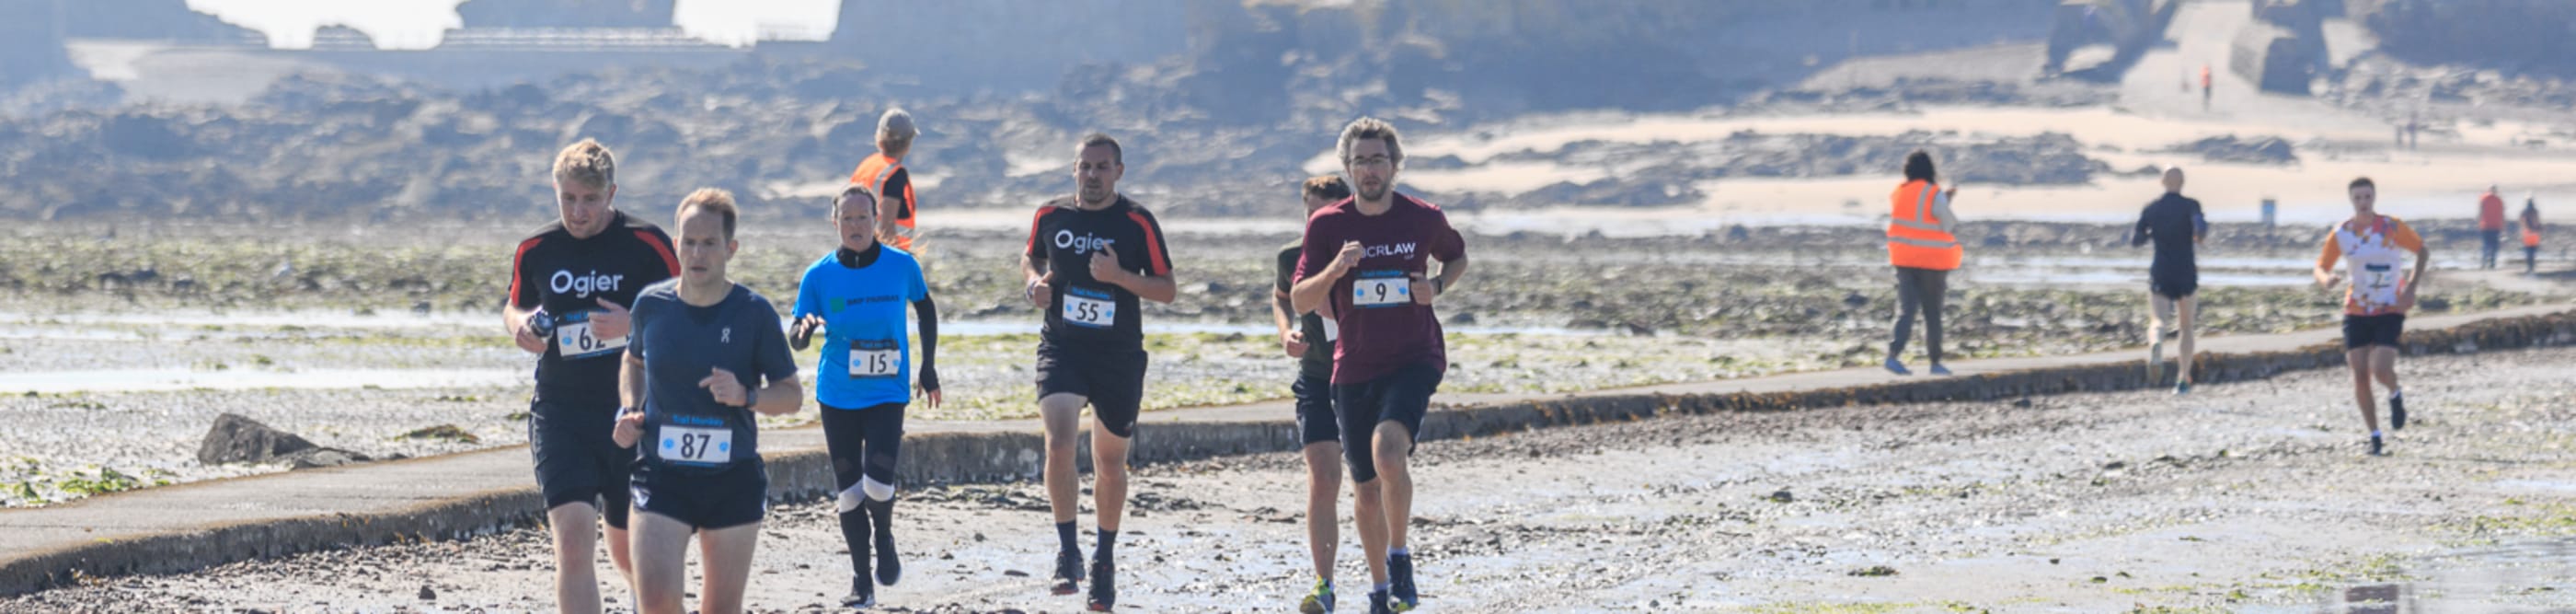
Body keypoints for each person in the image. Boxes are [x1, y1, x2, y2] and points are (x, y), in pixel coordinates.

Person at [1293, 117, 1470, 614]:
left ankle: (1399, 559)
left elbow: (1457, 259)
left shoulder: (1423, 217)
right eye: (1361, 161)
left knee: (1389, 454)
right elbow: (1303, 299)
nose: (1370, 169)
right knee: (1365, 488)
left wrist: (1434, 288)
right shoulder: (1327, 224)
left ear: (1395, 165)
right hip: (1354, 365)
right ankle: (1378, 592)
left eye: (1378, 159)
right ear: (1347, 169)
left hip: (1414, 357)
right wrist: (1336, 268)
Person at [503, 139, 676, 614]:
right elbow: (514, 304)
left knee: (627, 552)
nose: (578, 212)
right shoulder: (537, 248)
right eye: (568, 199)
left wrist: (633, 324)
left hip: (631, 413)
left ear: (611, 194)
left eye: (590, 200)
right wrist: (520, 327)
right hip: (560, 414)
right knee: (574, 544)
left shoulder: (647, 243)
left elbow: (690, 310)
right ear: (556, 192)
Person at [612, 189, 804, 614]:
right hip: (661, 477)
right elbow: (633, 360)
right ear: (676, 244)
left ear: (730, 249)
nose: (697, 253)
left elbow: (791, 396)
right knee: (657, 602)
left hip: (731, 479)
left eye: (709, 243)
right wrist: (630, 409)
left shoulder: (754, 313)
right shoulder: (651, 305)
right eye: (689, 242)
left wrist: (746, 395)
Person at [1020, 133, 1178, 611]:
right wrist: (1033, 285)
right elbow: (1032, 257)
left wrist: (1119, 279)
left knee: (1109, 462)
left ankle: (1103, 558)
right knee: (1061, 443)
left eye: (1102, 168)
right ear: (1074, 170)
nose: (1092, 176)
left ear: (1119, 172)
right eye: (1085, 167)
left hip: (1118, 356)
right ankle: (1068, 552)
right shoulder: (1052, 215)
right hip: (1063, 347)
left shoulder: (1136, 221)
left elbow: (1167, 289)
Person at [789, 184, 942, 608]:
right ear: (834, 222)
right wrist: (803, 332)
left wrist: (928, 368)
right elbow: (797, 334)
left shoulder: (900, 265)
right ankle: (862, 580)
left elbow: (925, 308)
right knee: (849, 492)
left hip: (887, 390)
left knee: (878, 482)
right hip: (837, 393)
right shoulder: (819, 275)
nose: (855, 226)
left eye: (863, 217)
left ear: (875, 219)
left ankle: (886, 536)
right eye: (847, 219)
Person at [1275, 175, 1351, 614]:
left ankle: (1386, 576)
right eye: (1310, 215)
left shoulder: (1368, 258)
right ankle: (1324, 584)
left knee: (1370, 484)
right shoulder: (1291, 257)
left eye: (1326, 215)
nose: (1316, 224)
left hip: (1366, 379)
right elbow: (1281, 296)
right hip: (1317, 378)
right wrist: (1286, 333)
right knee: (1324, 477)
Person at [2312, 177, 2428, 457]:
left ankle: (2394, 392)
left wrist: (2410, 289)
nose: (2363, 203)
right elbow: (2320, 266)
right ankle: (2375, 436)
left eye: (2367, 197)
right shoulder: (2343, 232)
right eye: (2358, 198)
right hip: (2356, 309)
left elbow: (2422, 251)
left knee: (2381, 368)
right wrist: (2326, 280)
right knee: (2360, 373)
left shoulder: (2391, 227)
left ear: (2374, 198)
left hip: (2390, 307)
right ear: (2352, 200)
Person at [1884, 150, 1964, 377]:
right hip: (1931, 261)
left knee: (1906, 310)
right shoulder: (1933, 193)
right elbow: (1947, 223)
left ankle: (1893, 355)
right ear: (1931, 170)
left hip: (1903, 259)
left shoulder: (1899, 193)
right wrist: (1947, 202)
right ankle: (1935, 362)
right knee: (1932, 313)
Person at [2133, 168, 2208, 394]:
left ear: (2162, 181)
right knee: (2186, 326)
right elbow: (2200, 227)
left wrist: (2151, 233)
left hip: (2161, 270)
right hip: (2185, 270)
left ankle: (2156, 343)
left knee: (2158, 319)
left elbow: (2136, 240)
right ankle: (2183, 378)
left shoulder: (2152, 208)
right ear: (2182, 182)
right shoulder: (2190, 205)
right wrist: (2198, 236)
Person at [850, 109, 923, 252]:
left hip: (856, 251)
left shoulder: (866, 166)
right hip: (882, 256)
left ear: (879, 138)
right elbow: (887, 229)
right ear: (908, 143)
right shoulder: (895, 174)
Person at [2478, 185, 2507, 269]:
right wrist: (2503, 227)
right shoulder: (2499, 200)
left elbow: (2481, 211)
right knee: (2494, 246)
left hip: (2485, 226)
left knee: (2486, 245)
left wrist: (2480, 223)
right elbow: (2502, 215)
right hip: (2495, 226)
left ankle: (2483, 263)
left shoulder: (2484, 198)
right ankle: (2492, 263)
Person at [2521, 195, 2543, 274]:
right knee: (2533, 253)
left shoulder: (2524, 212)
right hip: (2535, 236)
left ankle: (2530, 268)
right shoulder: (2535, 211)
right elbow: (2538, 223)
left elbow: (2522, 223)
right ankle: (2532, 268)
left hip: (2527, 235)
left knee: (2528, 253)